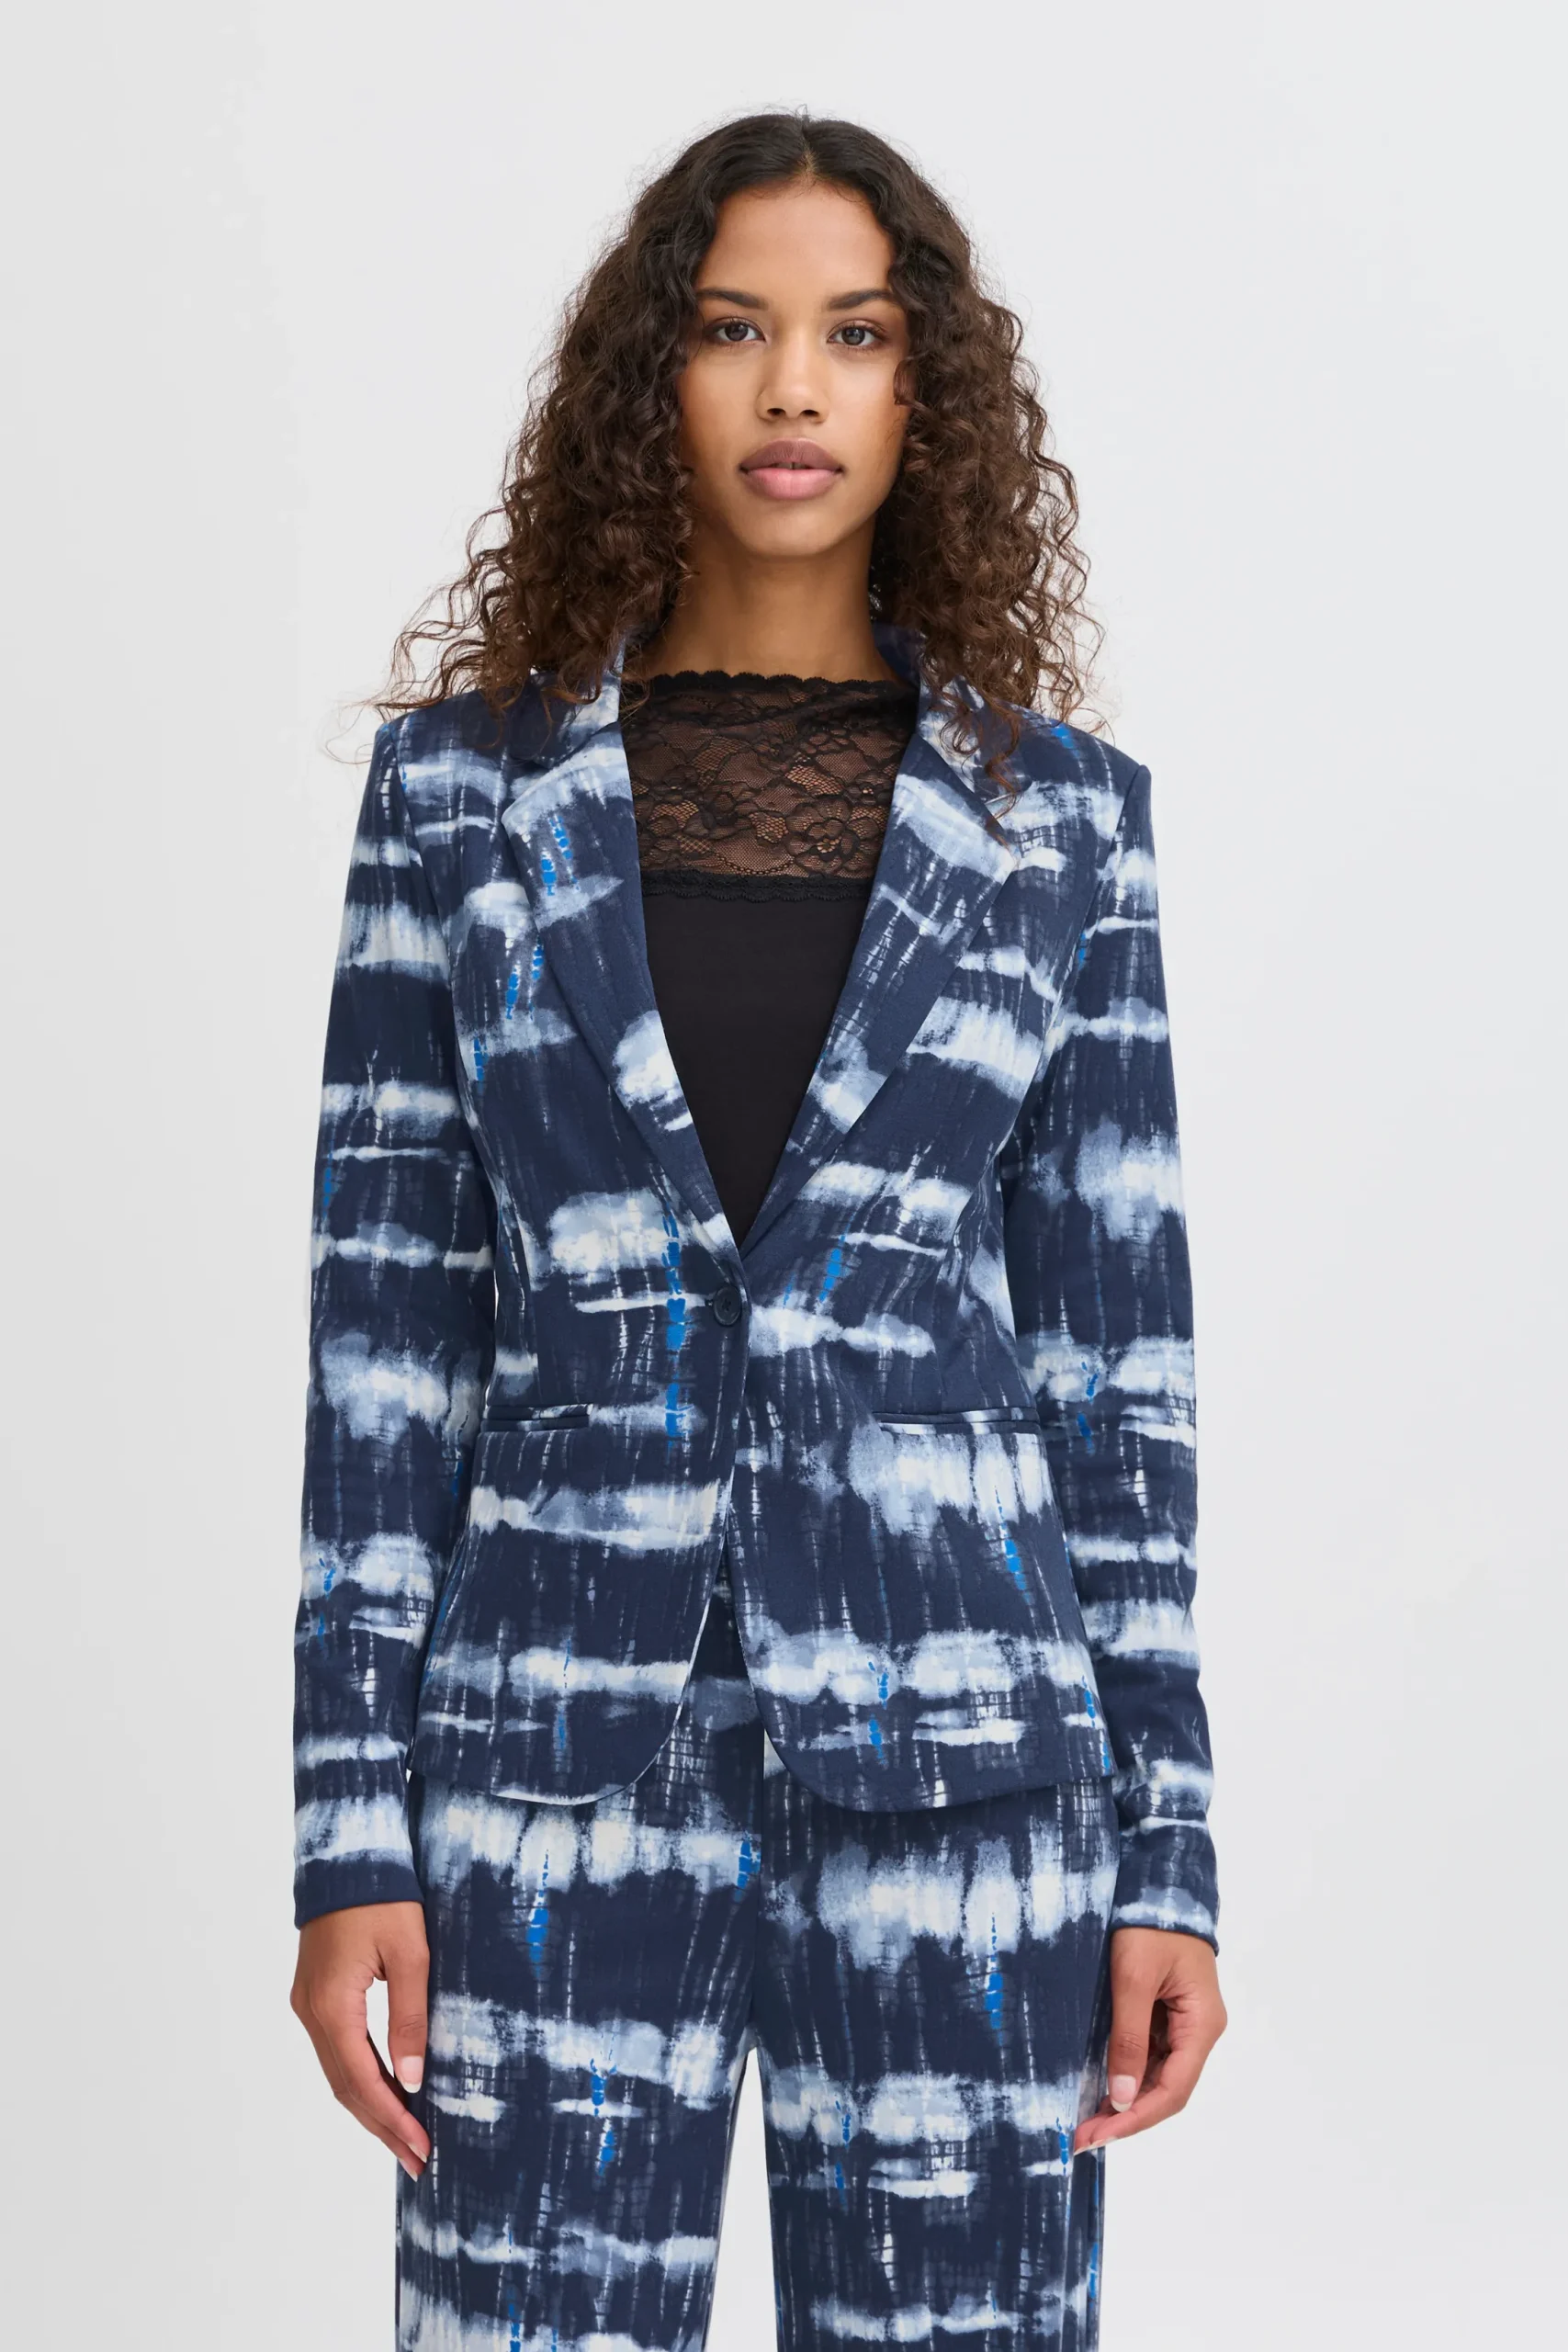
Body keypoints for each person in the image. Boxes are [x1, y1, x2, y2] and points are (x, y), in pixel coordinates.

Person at [289, 109, 1225, 2352]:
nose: (794, 387)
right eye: (731, 329)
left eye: (855, 334)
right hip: (545, 1763)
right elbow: (386, 1344)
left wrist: (1171, 1844)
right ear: (654, 378)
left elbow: (1117, 1374)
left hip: (970, 1774)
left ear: (927, 393)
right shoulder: (458, 800)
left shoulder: (1060, 827)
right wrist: (348, 1830)